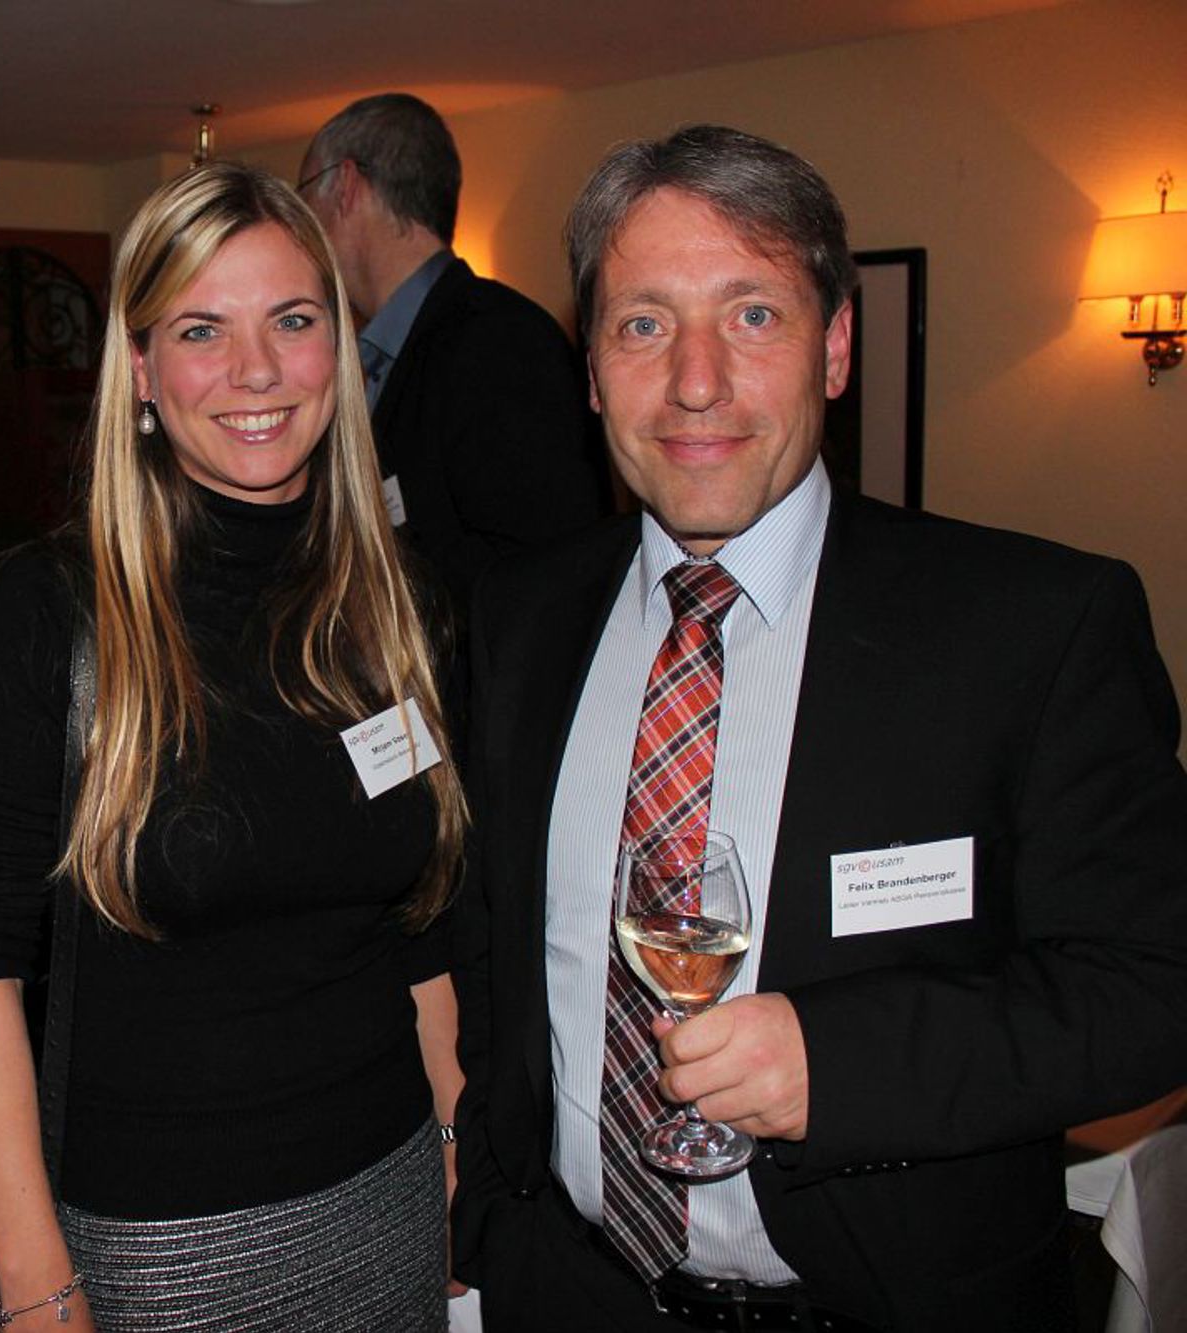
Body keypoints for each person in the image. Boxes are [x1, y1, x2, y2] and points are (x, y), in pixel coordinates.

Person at [451, 124, 1187, 1333]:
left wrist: (836, 1066)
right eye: (641, 324)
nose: (694, 381)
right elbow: (497, 952)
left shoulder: (1029, 626)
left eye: (751, 316)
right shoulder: (519, 615)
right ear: (589, 372)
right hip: (568, 1291)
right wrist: (493, 1208)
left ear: (834, 346)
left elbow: (1153, 987)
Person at [0, 161, 469, 1331]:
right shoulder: (54, 613)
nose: (255, 370)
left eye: (292, 320)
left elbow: (420, 930)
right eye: (199, 329)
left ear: (338, 347)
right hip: (158, 1235)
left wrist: (450, 1147)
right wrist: (35, 1284)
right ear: (139, 368)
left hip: (390, 1187)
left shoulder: (398, 603)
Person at [298, 92, 607, 618]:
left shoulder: (498, 340)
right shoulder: (382, 351)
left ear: (346, 186)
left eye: (303, 198)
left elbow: (544, 567)